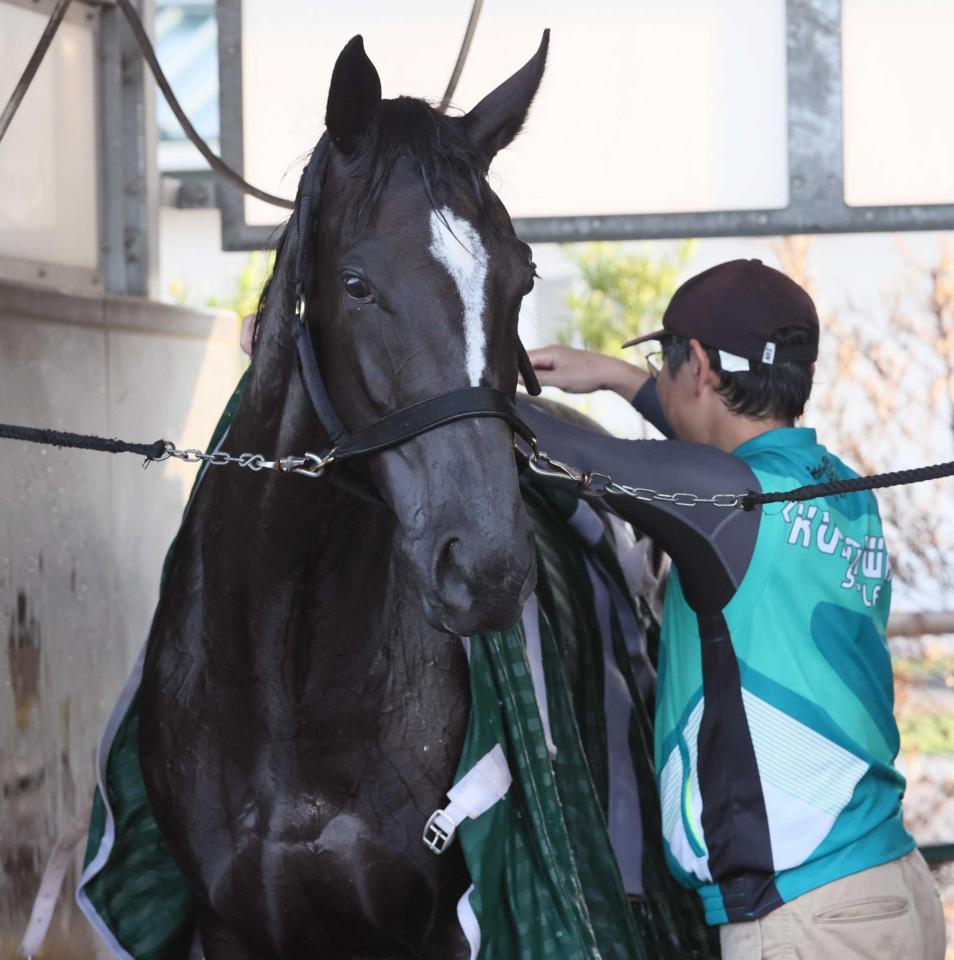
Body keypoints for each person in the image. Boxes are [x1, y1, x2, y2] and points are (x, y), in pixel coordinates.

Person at [521, 259, 945, 960]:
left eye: (663, 360)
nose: (656, 375)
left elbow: (563, 452)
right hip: (885, 891)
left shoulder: (731, 503)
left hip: (806, 920)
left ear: (701, 368)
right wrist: (623, 379)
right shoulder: (835, 487)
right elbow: (709, 461)